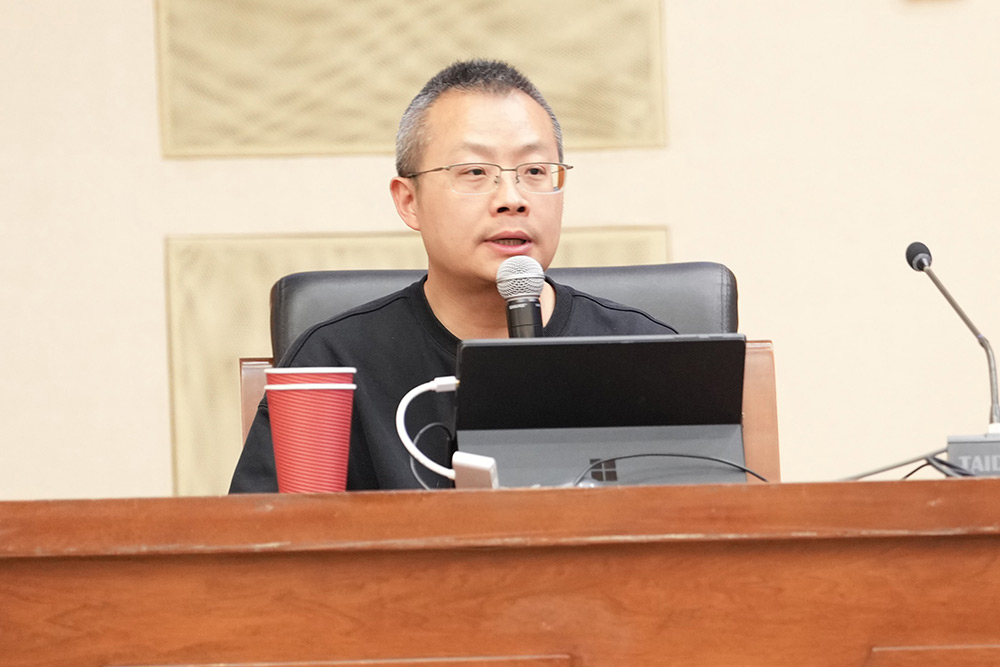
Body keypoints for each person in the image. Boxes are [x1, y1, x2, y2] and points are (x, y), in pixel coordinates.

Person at [230, 59, 676, 492]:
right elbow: (276, 535)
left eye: (535, 171)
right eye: (475, 172)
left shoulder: (649, 355)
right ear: (409, 201)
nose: (512, 198)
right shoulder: (335, 363)